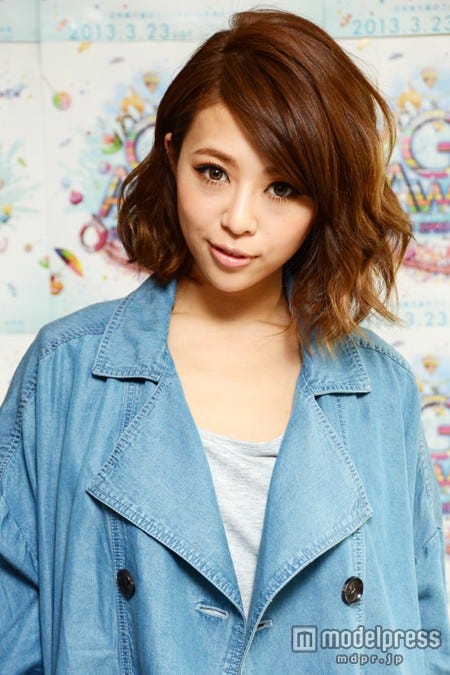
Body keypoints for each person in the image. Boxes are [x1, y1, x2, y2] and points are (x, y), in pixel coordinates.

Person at [0, 9, 449, 673]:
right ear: (172, 153)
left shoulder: (380, 390)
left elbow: (419, 636)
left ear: (324, 200)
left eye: (282, 187)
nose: (239, 219)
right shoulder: (66, 371)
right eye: (214, 172)